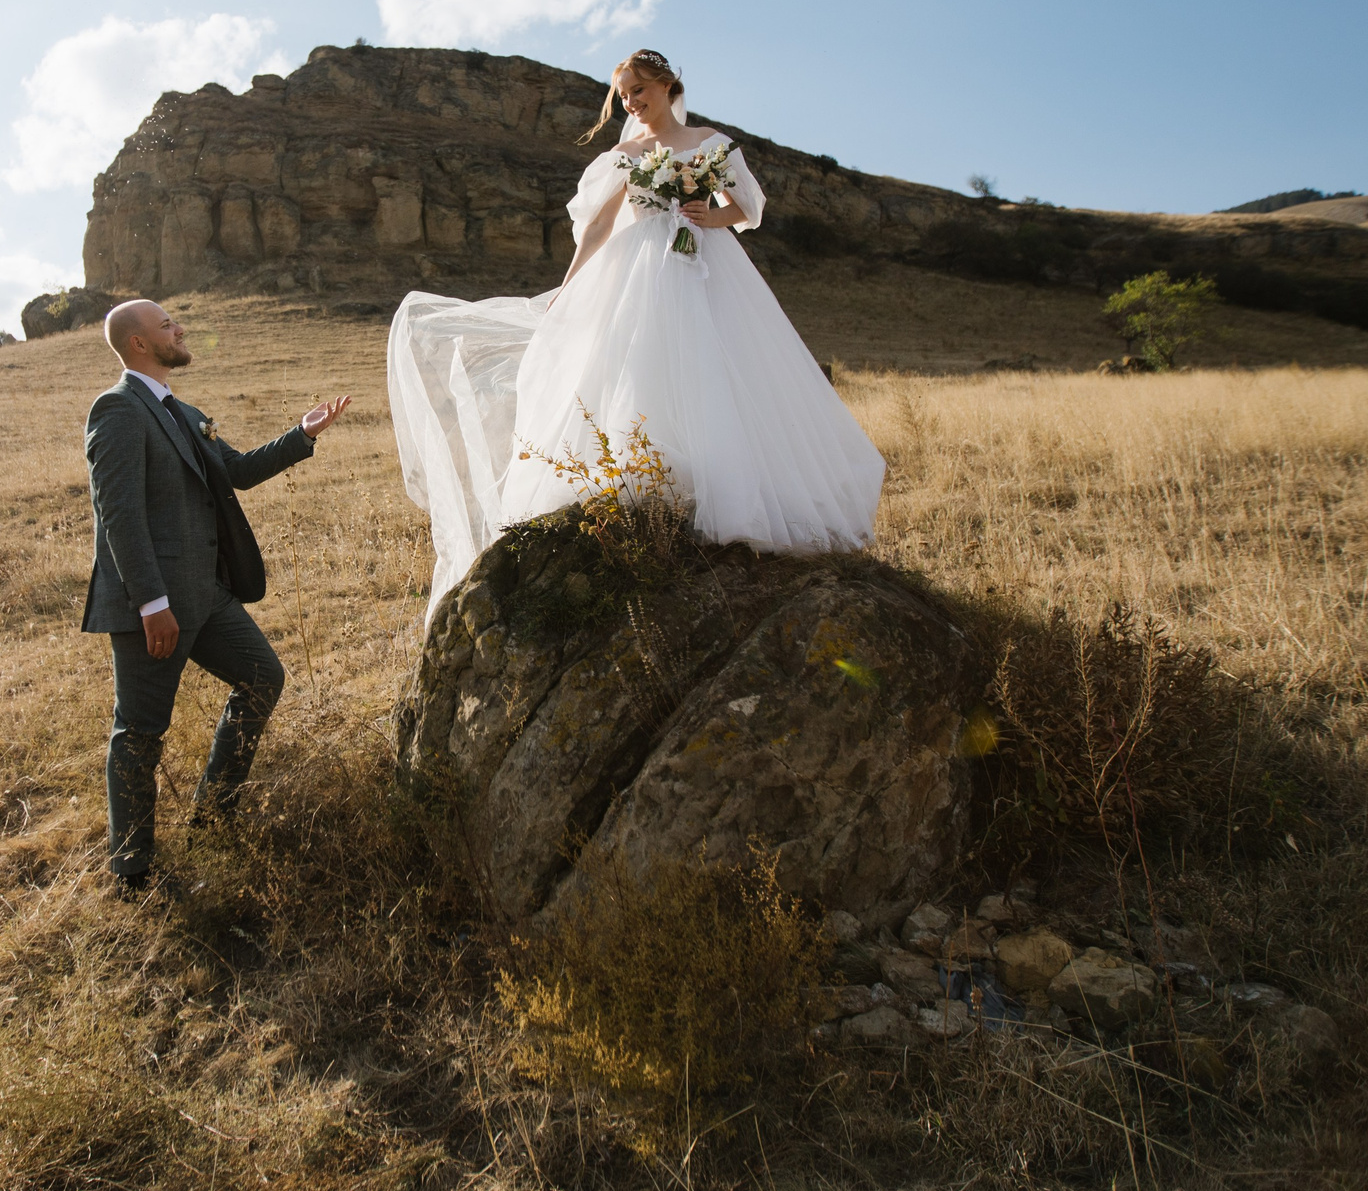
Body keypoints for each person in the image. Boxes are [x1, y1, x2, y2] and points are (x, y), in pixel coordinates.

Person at [387, 48, 885, 612]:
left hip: (706, 267)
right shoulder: (626, 153)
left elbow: (746, 207)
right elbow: (598, 225)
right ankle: (645, 488)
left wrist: (708, 214)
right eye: (623, 95)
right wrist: (570, 285)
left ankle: (726, 498)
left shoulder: (709, 142)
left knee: (717, 368)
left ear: (667, 85)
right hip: (638, 271)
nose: (630, 102)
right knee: (637, 370)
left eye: (638, 91)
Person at [81, 299, 351, 894]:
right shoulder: (118, 410)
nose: (180, 329)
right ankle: (133, 871)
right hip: (154, 607)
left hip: (209, 596)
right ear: (139, 345)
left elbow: (238, 471)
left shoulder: (183, 411)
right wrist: (152, 605)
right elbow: (119, 514)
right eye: (167, 325)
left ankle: (212, 814)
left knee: (262, 677)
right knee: (142, 732)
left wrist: (300, 436)